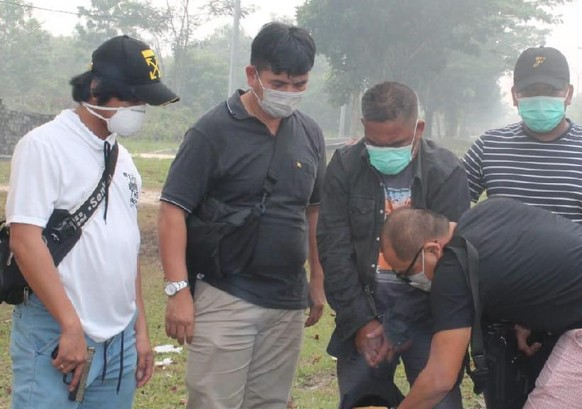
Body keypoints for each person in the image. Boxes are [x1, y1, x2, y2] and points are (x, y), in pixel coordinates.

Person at [158, 22, 325, 409]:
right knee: (213, 402)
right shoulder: (212, 131)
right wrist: (177, 291)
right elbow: (172, 211)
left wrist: (317, 278)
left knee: (270, 402)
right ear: (252, 75)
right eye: (278, 83)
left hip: (286, 299)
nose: (289, 93)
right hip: (226, 293)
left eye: (299, 84)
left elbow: (314, 211)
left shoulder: (310, 133)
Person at [6, 35, 179, 409]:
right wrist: (69, 325)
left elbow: (127, 248)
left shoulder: (123, 160)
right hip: (55, 330)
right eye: (131, 99)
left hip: (119, 338)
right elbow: (24, 240)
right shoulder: (44, 146)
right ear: (96, 88)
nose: (138, 110)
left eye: (143, 102)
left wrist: (139, 330)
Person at [380, 199, 582, 409]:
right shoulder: (489, 211)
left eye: (407, 273)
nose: (410, 281)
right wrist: (525, 318)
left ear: (433, 250)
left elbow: (440, 378)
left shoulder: (453, 269)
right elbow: (532, 260)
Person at [318, 81, 470, 409]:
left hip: (429, 317)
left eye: (397, 143)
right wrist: (361, 321)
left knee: (438, 400)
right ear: (363, 126)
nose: (385, 151)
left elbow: (452, 261)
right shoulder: (345, 165)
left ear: (419, 128)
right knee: (363, 401)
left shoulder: (446, 171)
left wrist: (396, 324)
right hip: (364, 316)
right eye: (375, 143)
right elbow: (333, 248)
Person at [462, 46, 582, 254]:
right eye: (530, 91)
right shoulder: (488, 146)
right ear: (515, 96)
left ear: (569, 94)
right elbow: (450, 205)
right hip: (502, 273)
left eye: (551, 91)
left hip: (577, 273)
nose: (540, 98)